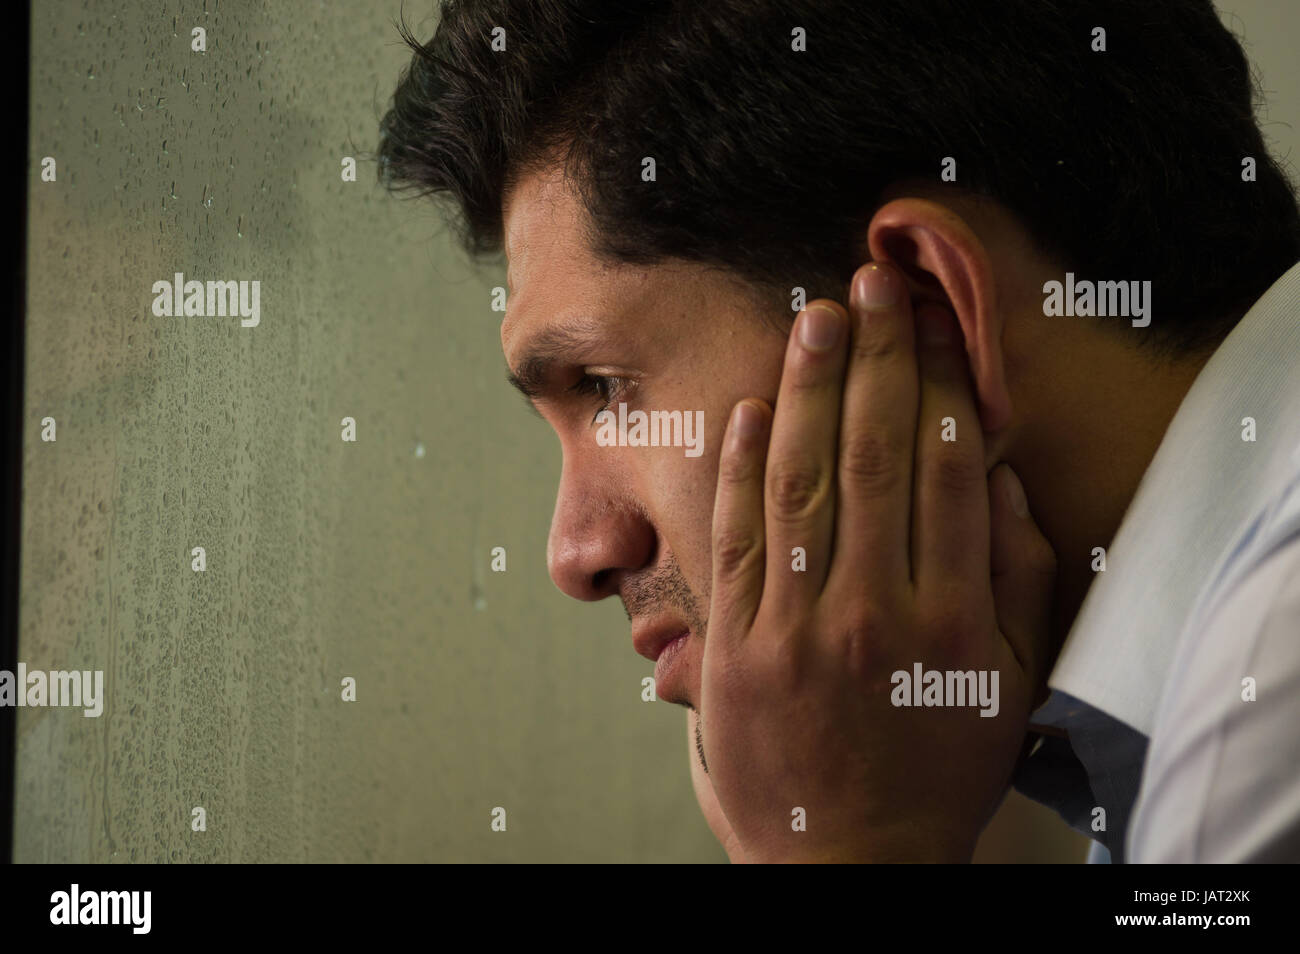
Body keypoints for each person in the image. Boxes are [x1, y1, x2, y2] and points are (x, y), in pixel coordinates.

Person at [377, 0, 1300, 862]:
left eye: (607, 388)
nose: (574, 552)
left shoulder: (1265, 696)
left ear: (923, 307)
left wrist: (845, 844)